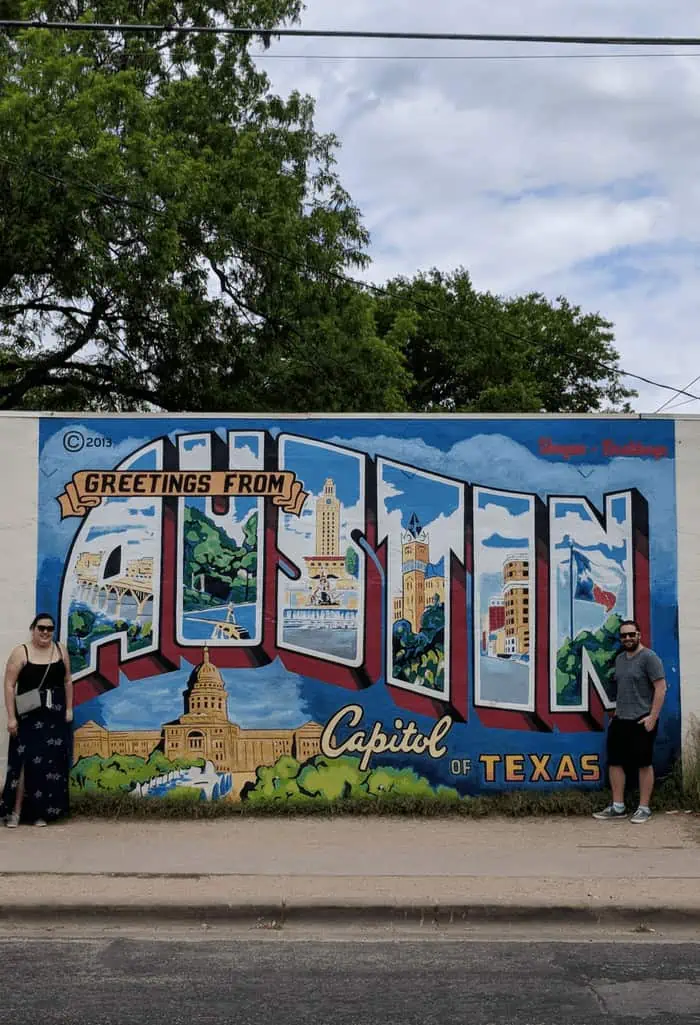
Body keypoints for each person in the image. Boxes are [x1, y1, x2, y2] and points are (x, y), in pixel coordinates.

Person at [1, 613, 73, 827]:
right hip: (28, 715)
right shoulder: (21, 652)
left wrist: (69, 708)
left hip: (55, 713)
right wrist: (11, 717)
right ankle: (15, 812)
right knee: (24, 763)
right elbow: (8, 685)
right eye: (41, 628)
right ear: (33, 629)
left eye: (50, 629)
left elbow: (68, 680)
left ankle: (42, 813)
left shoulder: (60, 650)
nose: (45, 632)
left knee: (51, 763)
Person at [593, 618, 666, 824]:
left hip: (641, 720)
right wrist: (615, 712)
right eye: (623, 635)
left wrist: (653, 717)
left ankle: (644, 808)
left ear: (639, 635)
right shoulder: (620, 659)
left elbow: (661, 688)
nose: (627, 638)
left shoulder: (649, 658)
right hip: (620, 720)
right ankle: (618, 807)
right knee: (615, 763)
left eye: (631, 634)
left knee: (644, 764)